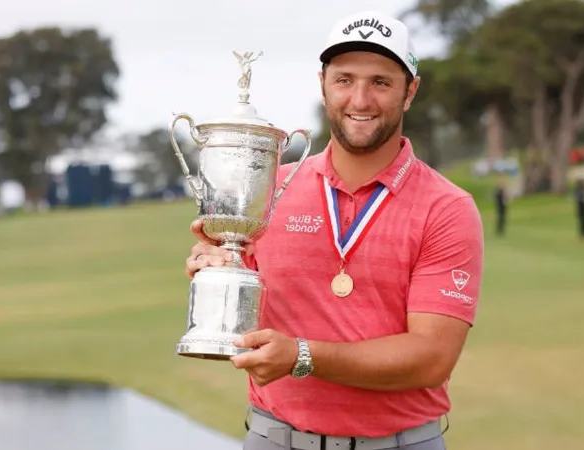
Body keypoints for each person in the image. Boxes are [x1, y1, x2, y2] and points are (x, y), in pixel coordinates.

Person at [185, 10, 484, 450]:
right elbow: (239, 313)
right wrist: (216, 268)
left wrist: (302, 356)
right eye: (344, 80)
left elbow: (431, 359)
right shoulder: (270, 189)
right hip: (273, 438)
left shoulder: (446, 208)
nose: (360, 100)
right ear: (323, 83)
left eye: (380, 82)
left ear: (410, 91)